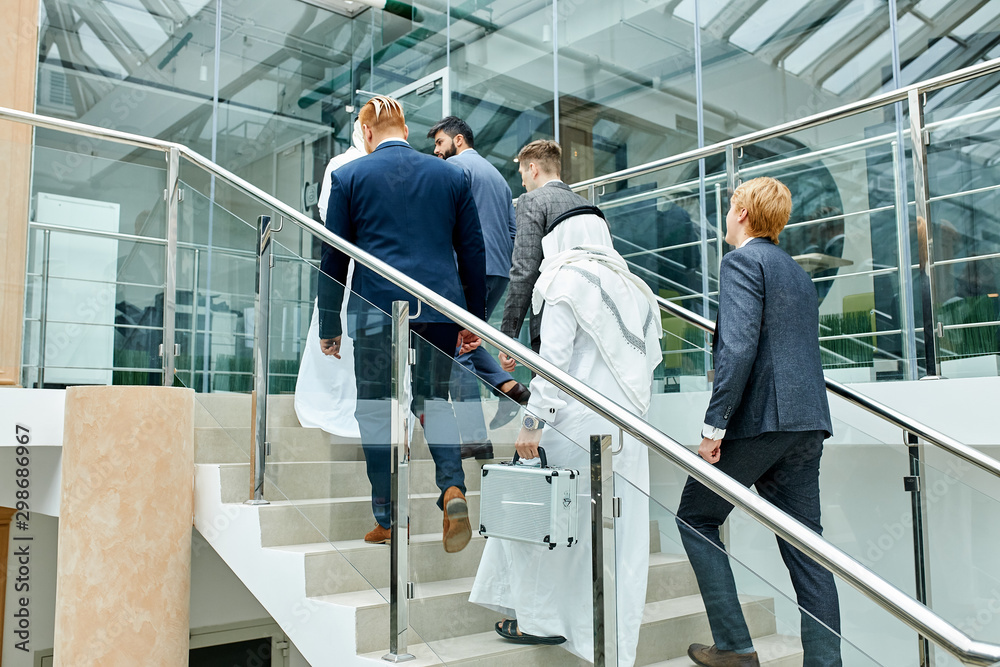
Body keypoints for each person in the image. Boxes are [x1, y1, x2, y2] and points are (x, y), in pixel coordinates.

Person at [469, 208, 661, 665]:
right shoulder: (639, 290)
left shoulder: (563, 280)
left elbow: (552, 365)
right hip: (625, 433)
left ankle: (540, 620)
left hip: (571, 428)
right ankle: (601, 637)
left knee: (541, 526)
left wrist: (531, 422)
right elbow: (650, 363)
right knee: (613, 540)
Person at [675, 177, 841, 667]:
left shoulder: (742, 261)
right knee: (808, 550)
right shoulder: (797, 272)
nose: (726, 218)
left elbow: (739, 346)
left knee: (695, 517)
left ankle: (734, 647)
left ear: (743, 213)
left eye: (729, 209)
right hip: (807, 422)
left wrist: (713, 428)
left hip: (761, 422)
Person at [318, 96, 487, 553]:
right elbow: (472, 253)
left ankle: (387, 518)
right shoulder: (451, 175)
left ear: (367, 133)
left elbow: (334, 258)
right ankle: (452, 488)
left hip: (376, 311)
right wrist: (474, 319)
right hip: (437, 308)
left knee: (375, 409)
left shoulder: (348, 176)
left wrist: (329, 324)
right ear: (407, 130)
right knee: (434, 400)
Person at [427, 116, 530, 453]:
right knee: (466, 341)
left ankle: (474, 437)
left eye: (440, 143)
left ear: (458, 140)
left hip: (466, 270)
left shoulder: (456, 167)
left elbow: (445, 220)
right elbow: (513, 231)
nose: (436, 151)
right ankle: (512, 388)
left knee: (458, 349)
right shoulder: (499, 178)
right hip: (498, 271)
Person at [294, 120, 366, 438]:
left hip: (365, 269)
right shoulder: (340, 164)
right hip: (348, 267)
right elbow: (330, 220)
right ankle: (336, 405)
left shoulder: (347, 164)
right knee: (341, 332)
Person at [500, 140, 591, 368]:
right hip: (591, 321)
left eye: (522, 172)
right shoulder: (588, 206)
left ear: (533, 168)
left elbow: (524, 269)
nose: (522, 181)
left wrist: (507, 336)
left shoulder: (531, 201)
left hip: (553, 322)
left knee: (549, 393)